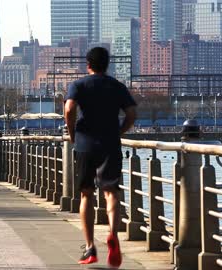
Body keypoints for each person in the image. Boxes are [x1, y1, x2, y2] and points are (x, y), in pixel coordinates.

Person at [64, 47, 137, 267]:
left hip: (85, 145)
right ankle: (113, 234)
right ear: (107, 64)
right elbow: (132, 114)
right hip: (109, 144)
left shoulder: (78, 85)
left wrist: (72, 133)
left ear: (88, 64)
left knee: (86, 196)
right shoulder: (117, 86)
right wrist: (119, 131)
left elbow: (69, 109)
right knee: (111, 192)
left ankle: (90, 248)